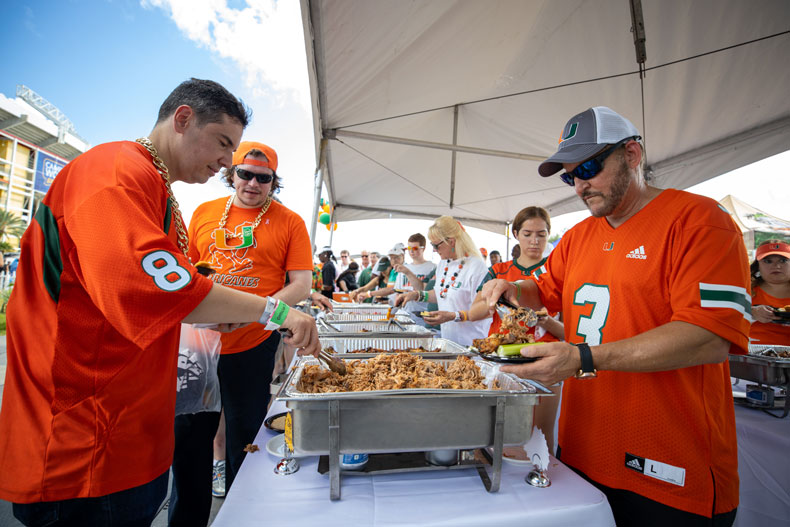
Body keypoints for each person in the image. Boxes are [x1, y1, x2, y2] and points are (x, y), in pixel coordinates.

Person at [0, 78, 319, 527]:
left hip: (126, 425)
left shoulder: (151, 183)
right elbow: (161, 289)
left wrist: (223, 311)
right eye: (225, 145)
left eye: (249, 164)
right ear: (183, 119)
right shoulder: (113, 174)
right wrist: (275, 311)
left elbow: (180, 282)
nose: (229, 163)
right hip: (85, 441)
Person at [481, 106, 750, 526]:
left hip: (671, 468)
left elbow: (709, 338)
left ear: (631, 155)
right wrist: (510, 289)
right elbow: (541, 292)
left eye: (588, 166)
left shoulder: (700, 221)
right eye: (570, 175)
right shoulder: (578, 237)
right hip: (585, 453)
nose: (580, 185)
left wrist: (585, 358)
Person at [176, 140, 313, 522]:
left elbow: (300, 284)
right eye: (245, 174)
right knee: (189, 440)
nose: (252, 184)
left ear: (274, 181)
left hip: (252, 344)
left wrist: (256, 313)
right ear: (231, 173)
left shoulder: (290, 221)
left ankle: (241, 515)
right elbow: (185, 271)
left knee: (244, 438)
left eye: (263, 178)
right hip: (199, 346)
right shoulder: (204, 212)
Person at [468, 206, 564, 452]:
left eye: (541, 234)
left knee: (541, 432)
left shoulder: (556, 272)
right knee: (500, 428)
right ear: (516, 234)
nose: (534, 241)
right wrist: (493, 301)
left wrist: (544, 320)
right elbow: (475, 309)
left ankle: (541, 475)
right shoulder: (499, 270)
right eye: (528, 233)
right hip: (503, 359)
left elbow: (570, 331)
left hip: (545, 359)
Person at [397, 216, 490, 345]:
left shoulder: (476, 267)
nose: (434, 250)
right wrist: (417, 295)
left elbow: (486, 309)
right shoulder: (443, 264)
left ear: (451, 242)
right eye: (432, 245)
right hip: (449, 341)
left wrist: (453, 316)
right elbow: (441, 294)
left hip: (472, 342)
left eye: (436, 245)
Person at [749, 239, 790, 345]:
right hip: (749, 354)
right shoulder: (745, 290)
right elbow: (725, 317)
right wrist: (751, 312)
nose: (776, 266)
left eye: (783, 260)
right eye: (768, 261)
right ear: (758, 266)